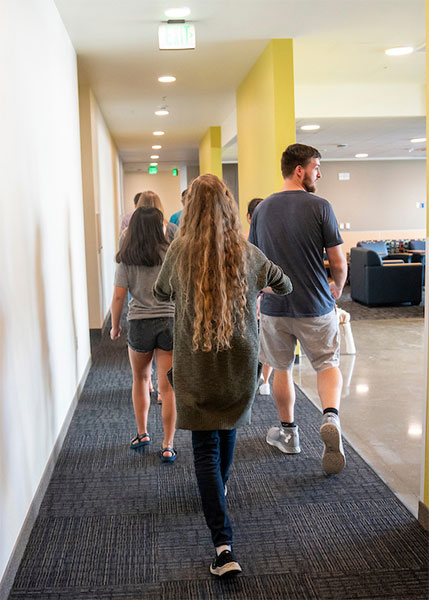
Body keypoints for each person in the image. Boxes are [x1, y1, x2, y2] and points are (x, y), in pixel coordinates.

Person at [153, 174, 291, 577]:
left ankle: (223, 546)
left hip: (196, 365)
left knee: (204, 452)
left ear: (190, 209)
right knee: (226, 432)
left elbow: (161, 293)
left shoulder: (179, 252)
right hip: (239, 364)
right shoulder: (248, 254)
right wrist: (256, 290)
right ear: (230, 207)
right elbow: (285, 284)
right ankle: (220, 495)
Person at [249, 143, 348, 475]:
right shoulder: (321, 207)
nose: (319, 173)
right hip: (316, 304)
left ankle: (289, 433)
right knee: (326, 364)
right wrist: (336, 286)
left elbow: (256, 262)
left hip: (276, 306)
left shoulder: (261, 210)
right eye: (316, 167)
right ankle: (330, 416)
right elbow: (337, 261)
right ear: (299, 170)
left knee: (281, 368)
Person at [110, 207, 177, 462]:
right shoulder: (171, 252)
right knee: (168, 388)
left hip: (139, 323)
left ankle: (142, 433)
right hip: (169, 320)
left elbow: (118, 296)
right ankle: (168, 445)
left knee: (140, 379)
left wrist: (115, 326)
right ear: (159, 226)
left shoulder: (127, 256)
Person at [246, 197, 274, 395]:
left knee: (258, 339)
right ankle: (264, 380)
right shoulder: (274, 239)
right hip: (266, 296)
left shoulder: (246, 244)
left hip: (259, 296)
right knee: (266, 340)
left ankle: (262, 380)